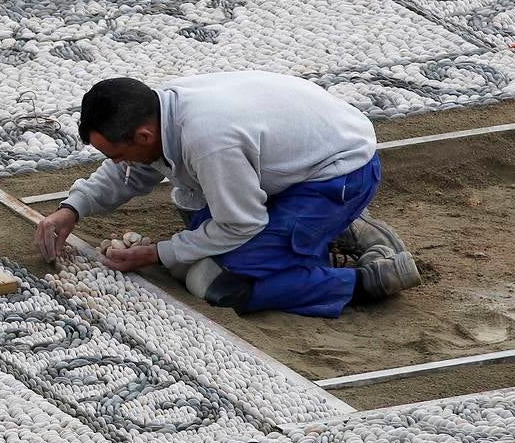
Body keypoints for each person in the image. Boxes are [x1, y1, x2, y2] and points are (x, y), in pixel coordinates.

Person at [34, 72, 420, 318]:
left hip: (341, 172)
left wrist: (156, 253)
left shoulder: (209, 141)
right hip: (300, 160)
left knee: (218, 281)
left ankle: (366, 279)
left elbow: (239, 223)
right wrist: (72, 209)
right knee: (197, 237)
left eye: (116, 154)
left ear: (143, 137)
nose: (118, 164)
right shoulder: (157, 111)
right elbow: (130, 171)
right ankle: (321, 230)